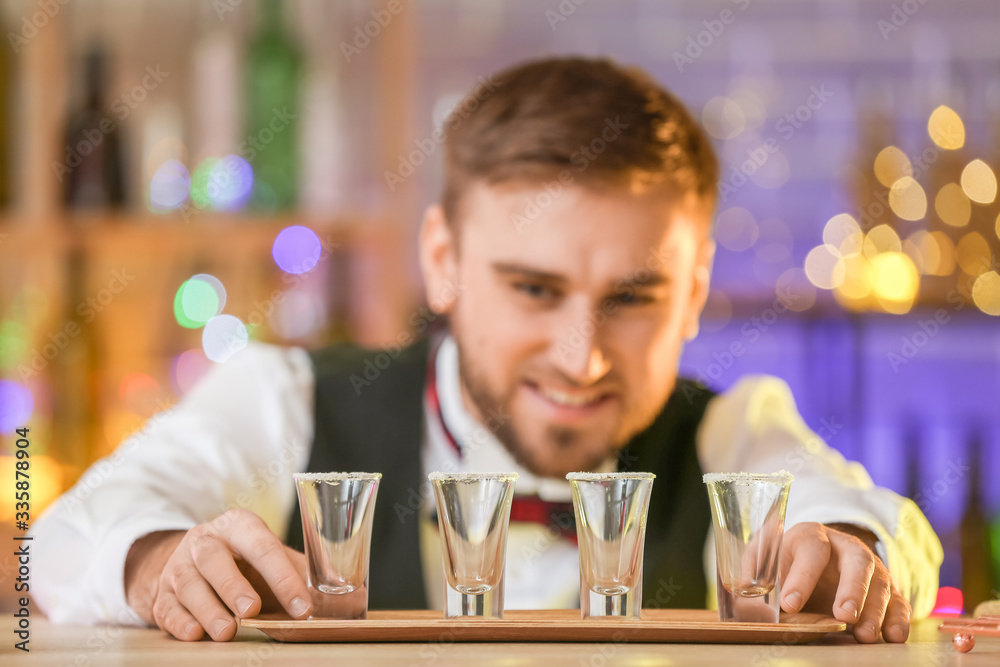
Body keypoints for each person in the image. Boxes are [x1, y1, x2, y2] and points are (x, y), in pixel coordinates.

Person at [32, 57, 942, 644]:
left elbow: (866, 515)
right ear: (443, 261)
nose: (581, 357)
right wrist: (157, 558)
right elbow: (67, 536)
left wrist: (849, 545)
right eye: (534, 289)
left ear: (695, 291)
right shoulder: (287, 398)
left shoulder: (733, 437)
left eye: (633, 296)